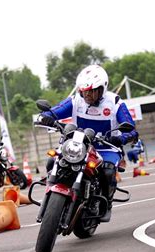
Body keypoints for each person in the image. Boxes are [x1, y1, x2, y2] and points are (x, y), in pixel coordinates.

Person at [39, 64, 138, 222]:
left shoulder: (115, 103)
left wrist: (120, 138)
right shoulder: (75, 100)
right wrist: (46, 117)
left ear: (102, 88)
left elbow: (131, 130)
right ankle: (52, 192)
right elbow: (54, 112)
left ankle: (107, 204)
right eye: (84, 91)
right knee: (53, 160)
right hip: (79, 145)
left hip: (106, 148)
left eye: (92, 91)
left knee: (107, 171)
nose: (87, 95)